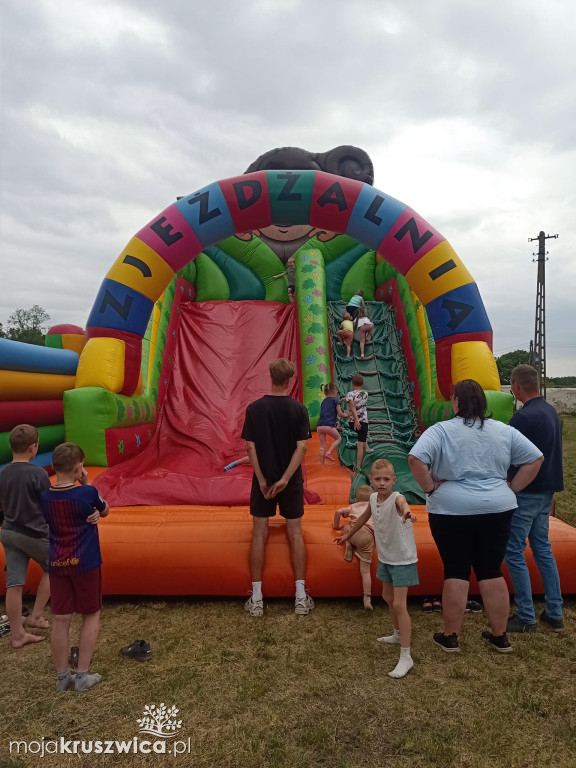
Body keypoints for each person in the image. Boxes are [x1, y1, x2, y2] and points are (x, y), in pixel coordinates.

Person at [408, 379, 544, 654]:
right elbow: (535, 459)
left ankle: (451, 636)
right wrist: (512, 488)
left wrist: (430, 488)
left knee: (456, 570)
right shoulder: (503, 430)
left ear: (456, 400)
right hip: (497, 507)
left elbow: (415, 459)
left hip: (451, 509)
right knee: (491, 571)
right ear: (483, 401)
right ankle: (500, 635)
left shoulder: (442, 430)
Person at [241, 359, 314, 617]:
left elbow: (250, 448)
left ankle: (258, 598)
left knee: (259, 534)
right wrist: (285, 478)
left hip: (264, 478)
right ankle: (300, 596)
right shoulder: (298, 409)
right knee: (295, 533)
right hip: (290, 480)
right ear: (289, 380)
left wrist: (262, 479)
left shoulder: (254, 409)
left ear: (270, 377)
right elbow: (302, 447)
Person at [336, 460, 418, 679]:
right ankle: (397, 634)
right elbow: (363, 518)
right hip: (386, 556)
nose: (382, 483)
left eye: (387, 479)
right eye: (378, 479)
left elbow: (402, 504)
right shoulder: (372, 497)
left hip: (402, 558)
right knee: (387, 597)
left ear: (394, 480)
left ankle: (406, 655)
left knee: (400, 604)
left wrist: (408, 512)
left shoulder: (396, 497)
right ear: (371, 480)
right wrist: (347, 535)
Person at [41, 443, 109, 692]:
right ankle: (81, 676)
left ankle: (62, 678)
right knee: (91, 614)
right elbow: (106, 511)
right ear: (79, 467)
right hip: (86, 562)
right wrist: (87, 485)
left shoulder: (45, 497)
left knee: (61, 619)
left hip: (58, 562)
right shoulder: (87, 492)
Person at [504, 364, 565, 633]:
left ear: (516, 386)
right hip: (546, 492)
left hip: (525, 493)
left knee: (513, 551)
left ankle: (526, 615)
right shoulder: (551, 411)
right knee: (542, 548)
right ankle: (554, 611)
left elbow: (508, 457)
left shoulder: (523, 419)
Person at [0, 424, 51, 649]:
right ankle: (37, 615)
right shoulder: (38, 473)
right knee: (55, 567)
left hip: (9, 532)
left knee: (15, 584)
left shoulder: (3, 473)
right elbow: (49, 506)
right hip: (33, 533)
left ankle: (18, 635)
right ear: (33, 448)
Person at [332, 485, 375, 610]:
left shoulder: (353, 506)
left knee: (346, 526)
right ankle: (367, 597)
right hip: (369, 537)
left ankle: (349, 545)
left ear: (356, 499)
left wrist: (335, 526)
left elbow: (338, 512)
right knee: (365, 571)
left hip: (354, 532)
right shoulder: (374, 507)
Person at [345, 374, 369, 471]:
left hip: (352, 421)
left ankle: (367, 448)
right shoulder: (366, 393)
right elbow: (354, 405)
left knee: (361, 437)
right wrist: (358, 420)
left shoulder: (350, 394)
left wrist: (355, 420)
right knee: (360, 444)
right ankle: (359, 466)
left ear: (352, 383)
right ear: (362, 384)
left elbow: (352, 406)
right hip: (363, 421)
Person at [317, 382, 346, 464]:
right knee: (338, 438)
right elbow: (340, 414)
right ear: (335, 391)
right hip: (328, 426)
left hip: (319, 426)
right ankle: (329, 452)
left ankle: (321, 464)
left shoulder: (323, 401)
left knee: (322, 446)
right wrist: (346, 414)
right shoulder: (335, 400)